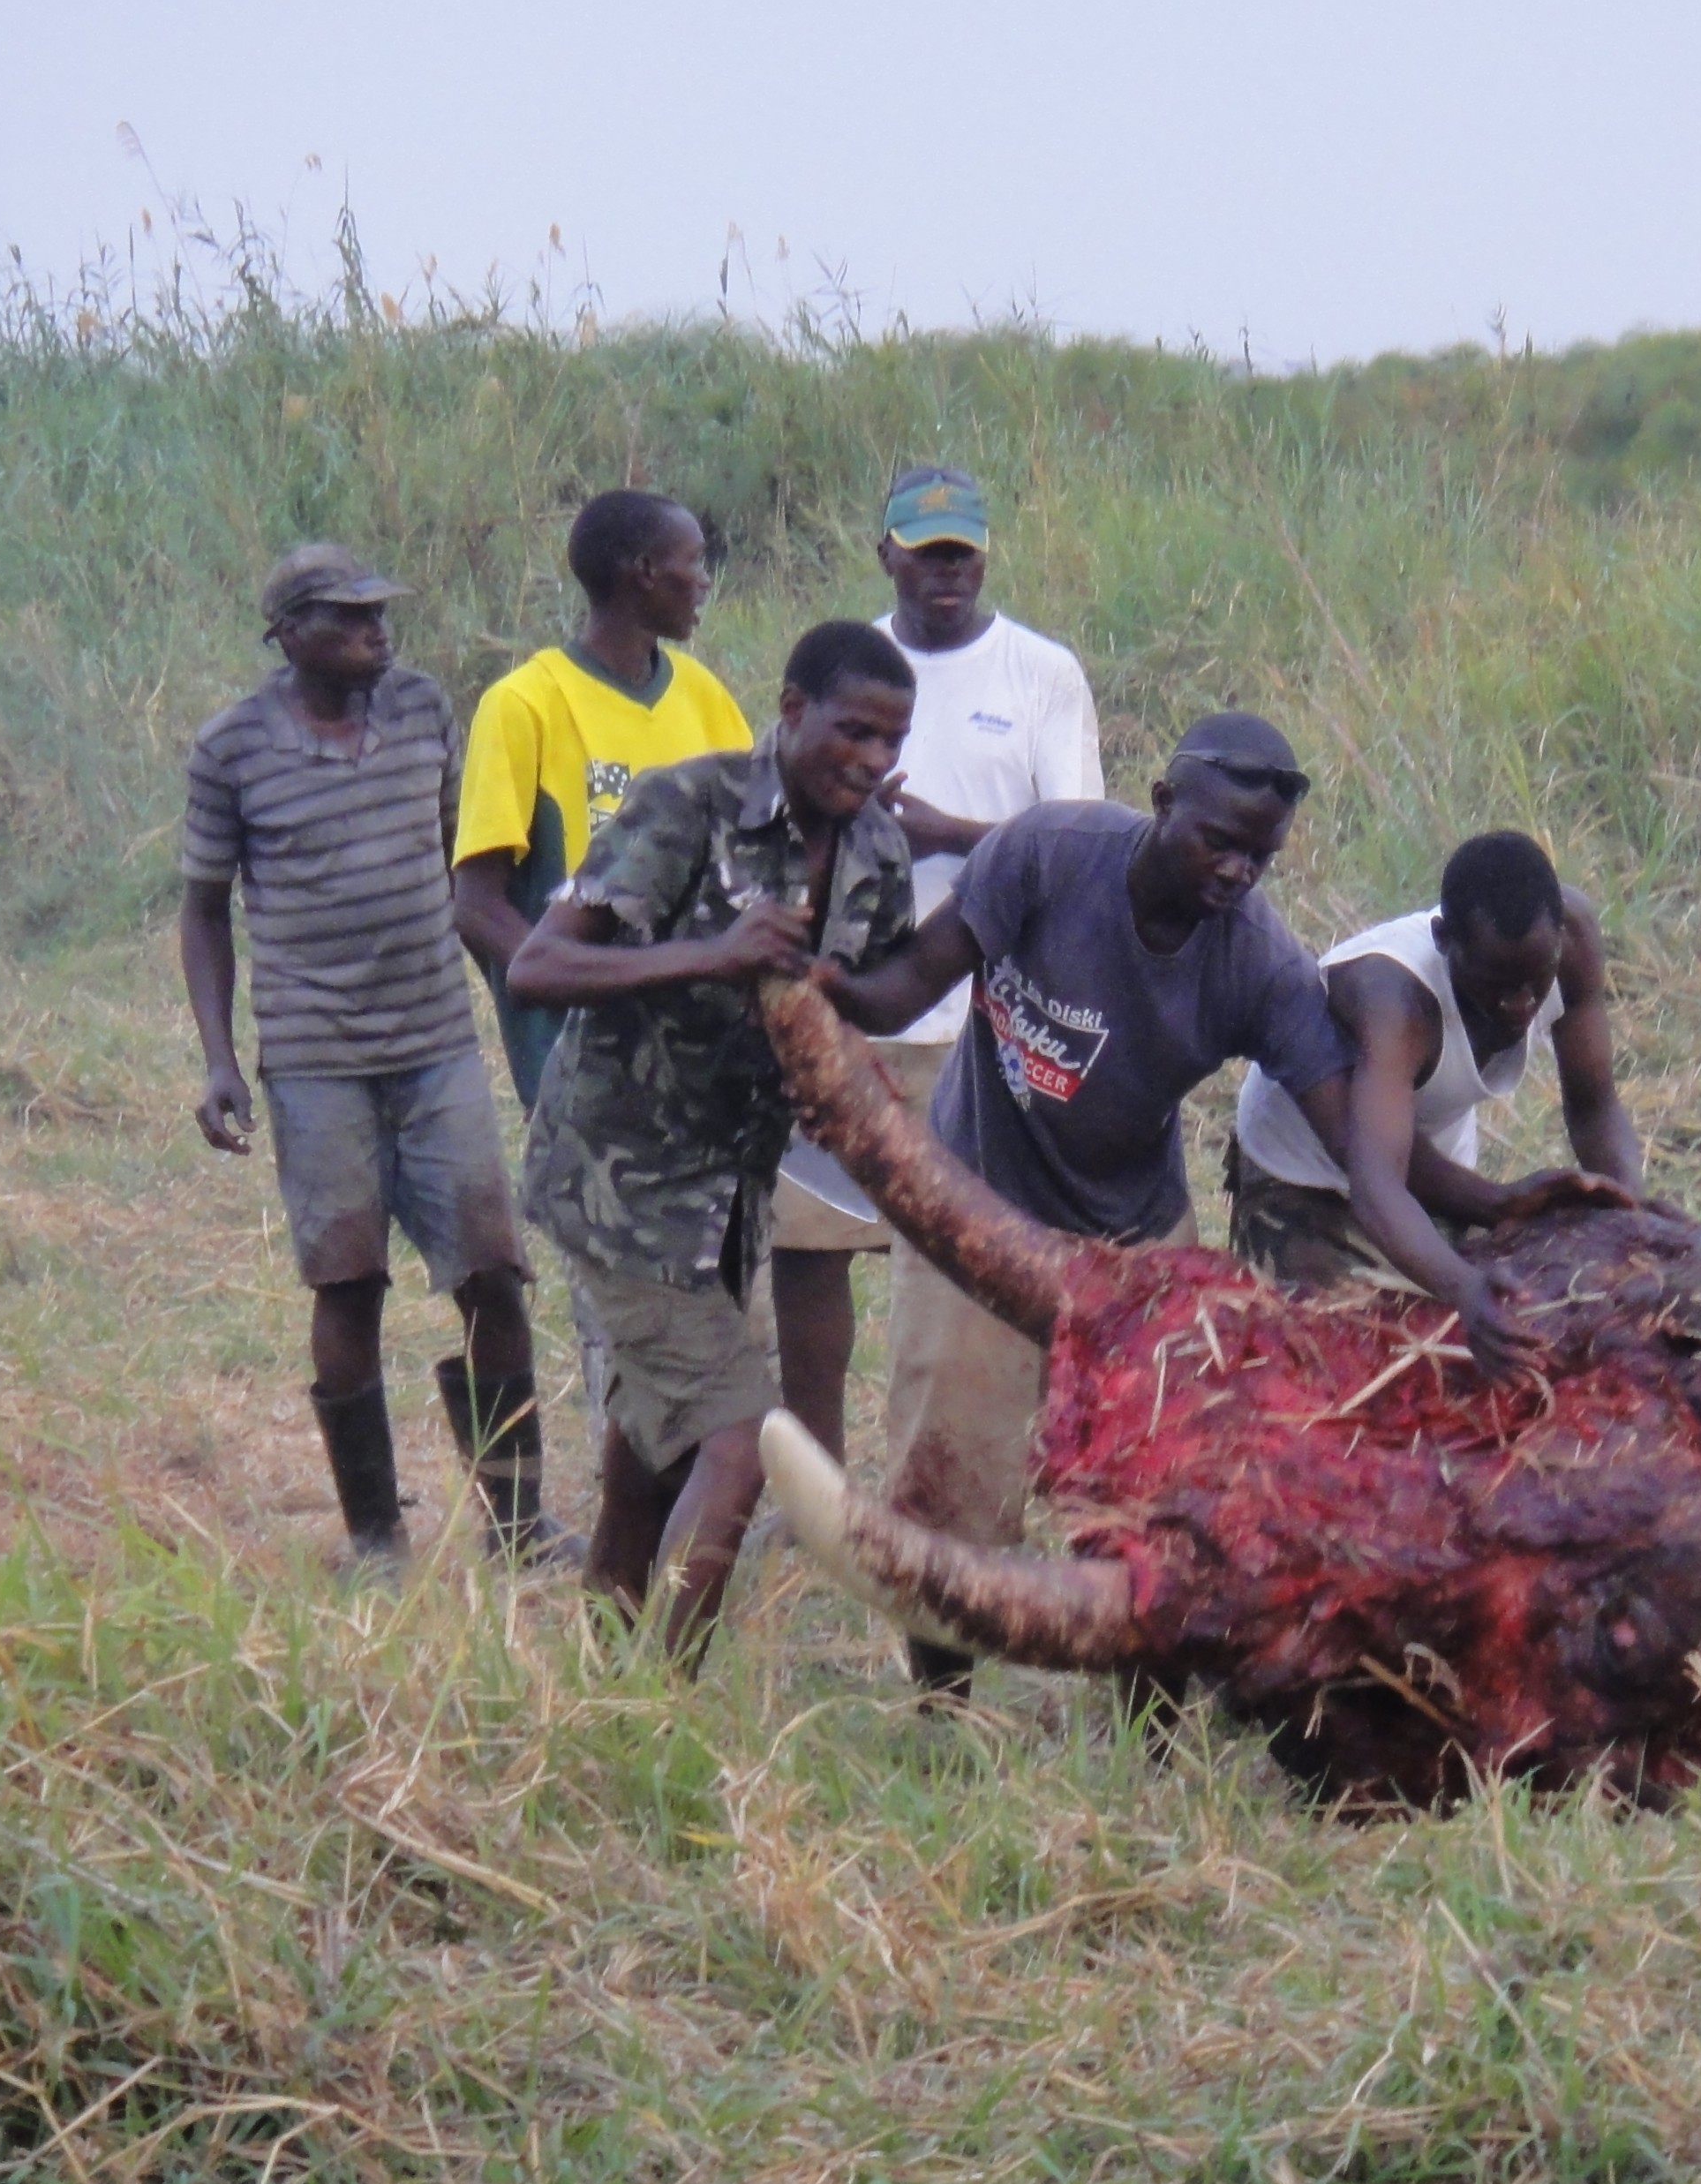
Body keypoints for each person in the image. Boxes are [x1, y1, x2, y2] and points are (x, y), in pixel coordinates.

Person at [822, 712, 1353, 1705]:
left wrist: (1472, 1225)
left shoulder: (1258, 962)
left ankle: (1146, 1735)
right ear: (1161, 803)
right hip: (971, 1201)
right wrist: (800, 981)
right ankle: (943, 1716)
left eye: (1262, 856)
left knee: (1163, 1497)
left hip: (1134, 1238)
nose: (1239, 871)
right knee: (956, 1476)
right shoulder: (1049, 855)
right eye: (1220, 841)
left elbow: (1352, 1135)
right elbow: (904, 990)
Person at [505, 621, 918, 1668]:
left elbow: (857, 998)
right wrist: (709, 957)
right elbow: (540, 970)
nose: (870, 761)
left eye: (891, 740)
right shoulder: (689, 803)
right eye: (851, 731)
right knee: (739, 1448)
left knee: (649, 1452)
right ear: (790, 711)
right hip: (618, 1184)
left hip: (732, 1195)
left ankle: (601, 1678)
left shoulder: (877, 852)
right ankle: (662, 1712)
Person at [177, 544, 553, 1570]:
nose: (377, 634)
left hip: (436, 1043)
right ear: (289, 634)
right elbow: (205, 912)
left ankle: (518, 1526)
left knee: (492, 1276)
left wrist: (515, 1011)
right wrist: (220, 1060)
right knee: (347, 1285)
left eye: (380, 615)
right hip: (314, 1059)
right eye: (349, 619)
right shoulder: (232, 749)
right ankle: (377, 1536)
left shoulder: (424, 712)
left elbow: (464, 874)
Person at [766, 465, 1105, 1467]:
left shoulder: (1040, 673)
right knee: (810, 1247)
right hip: (853, 1007)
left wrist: (947, 833)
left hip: (986, 1027)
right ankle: (816, 1478)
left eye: (961, 552)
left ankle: (981, 1468)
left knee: (980, 1265)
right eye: (924, 551)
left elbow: (1077, 842)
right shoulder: (849, 667)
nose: (944, 572)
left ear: (986, 555)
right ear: (887, 554)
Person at [1226, 830, 1645, 1374]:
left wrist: (1633, 1220)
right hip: (1304, 1178)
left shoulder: (1574, 941)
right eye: (1498, 984)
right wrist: (1465, 1284)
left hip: (1419, 1162)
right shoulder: (1394, 1000)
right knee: (1359, 1363)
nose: (1521, 1003)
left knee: (1530, 1329)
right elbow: (1375, 1180)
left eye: (1535, 982)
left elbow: (1593, 1106)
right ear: (1445, 939)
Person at [451, 489, 755, 1111]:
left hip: (699, 1048)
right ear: (645, 571)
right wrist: (574, 984)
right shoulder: (525, 704)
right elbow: (478, 905)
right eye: (693, 562)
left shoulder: (703, 696)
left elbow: (752, 852)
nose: (703, 582)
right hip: (586, 1064)